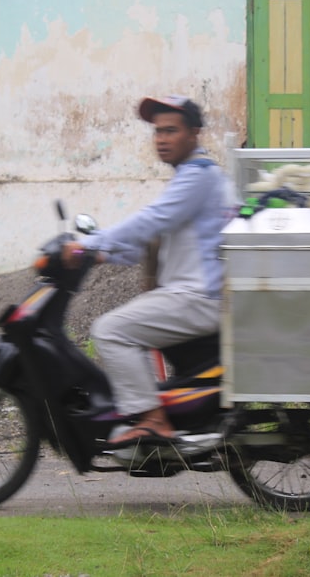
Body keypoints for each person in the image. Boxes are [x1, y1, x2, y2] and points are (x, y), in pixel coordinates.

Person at [62, 95, 234, 447]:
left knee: (110, 330)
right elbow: (151, 239)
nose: (161, 139)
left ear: (195, 133)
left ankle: (153, 420)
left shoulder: (200, 176)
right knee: (127, 328)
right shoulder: (194, 176)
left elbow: (153, 220)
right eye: (157, 132)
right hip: (192, 294)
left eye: (171, 131)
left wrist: (89, 244)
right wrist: (102, 254)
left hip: (198, 297)